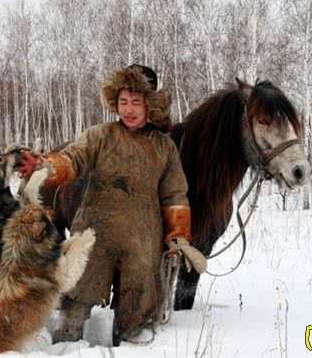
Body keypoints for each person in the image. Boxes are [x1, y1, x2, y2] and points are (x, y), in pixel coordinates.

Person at [16, 65, 205, 345]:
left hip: (143, 242)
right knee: (77, 298)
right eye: (123, 102)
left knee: (138, 306)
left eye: (136, 102)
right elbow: (72, 159)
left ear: (150, 105)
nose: (128, 110)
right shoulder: (100, 135)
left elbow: (175, 195)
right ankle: (65, 345)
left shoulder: (164, 149)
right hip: (94, 235)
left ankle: (130, 344)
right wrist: (45, 165)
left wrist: (178, 236)